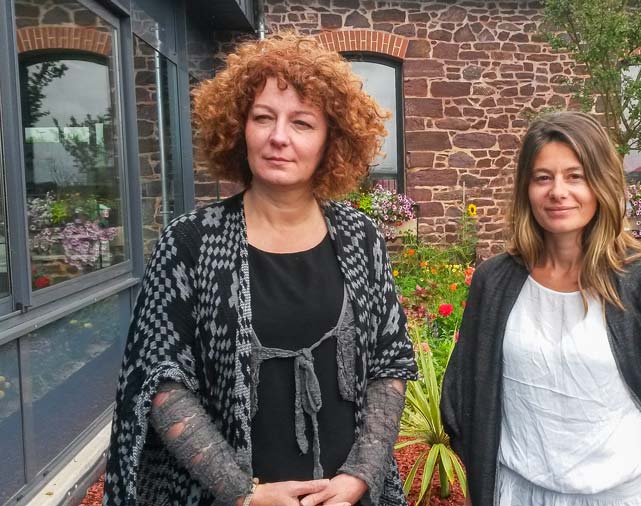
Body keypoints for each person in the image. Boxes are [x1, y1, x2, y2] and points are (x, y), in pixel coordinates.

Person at [103, 33, 417, 506]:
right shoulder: (192, 241)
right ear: (237, 128)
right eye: (263, 117)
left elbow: (390, 366)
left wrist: (361, 474)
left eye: (302, 123)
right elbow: (160, 381)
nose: (278, 137)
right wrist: (243, 493)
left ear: (332, 139)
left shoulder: (359, 236)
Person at [441, 111, 641, 506]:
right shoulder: (496, 281)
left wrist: (640, 441)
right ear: (526, 188)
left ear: (602, 184)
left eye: (576, 176)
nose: (558, 191)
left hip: (612, 496)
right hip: (514, 491)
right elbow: (468, 394)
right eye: (543, 177)